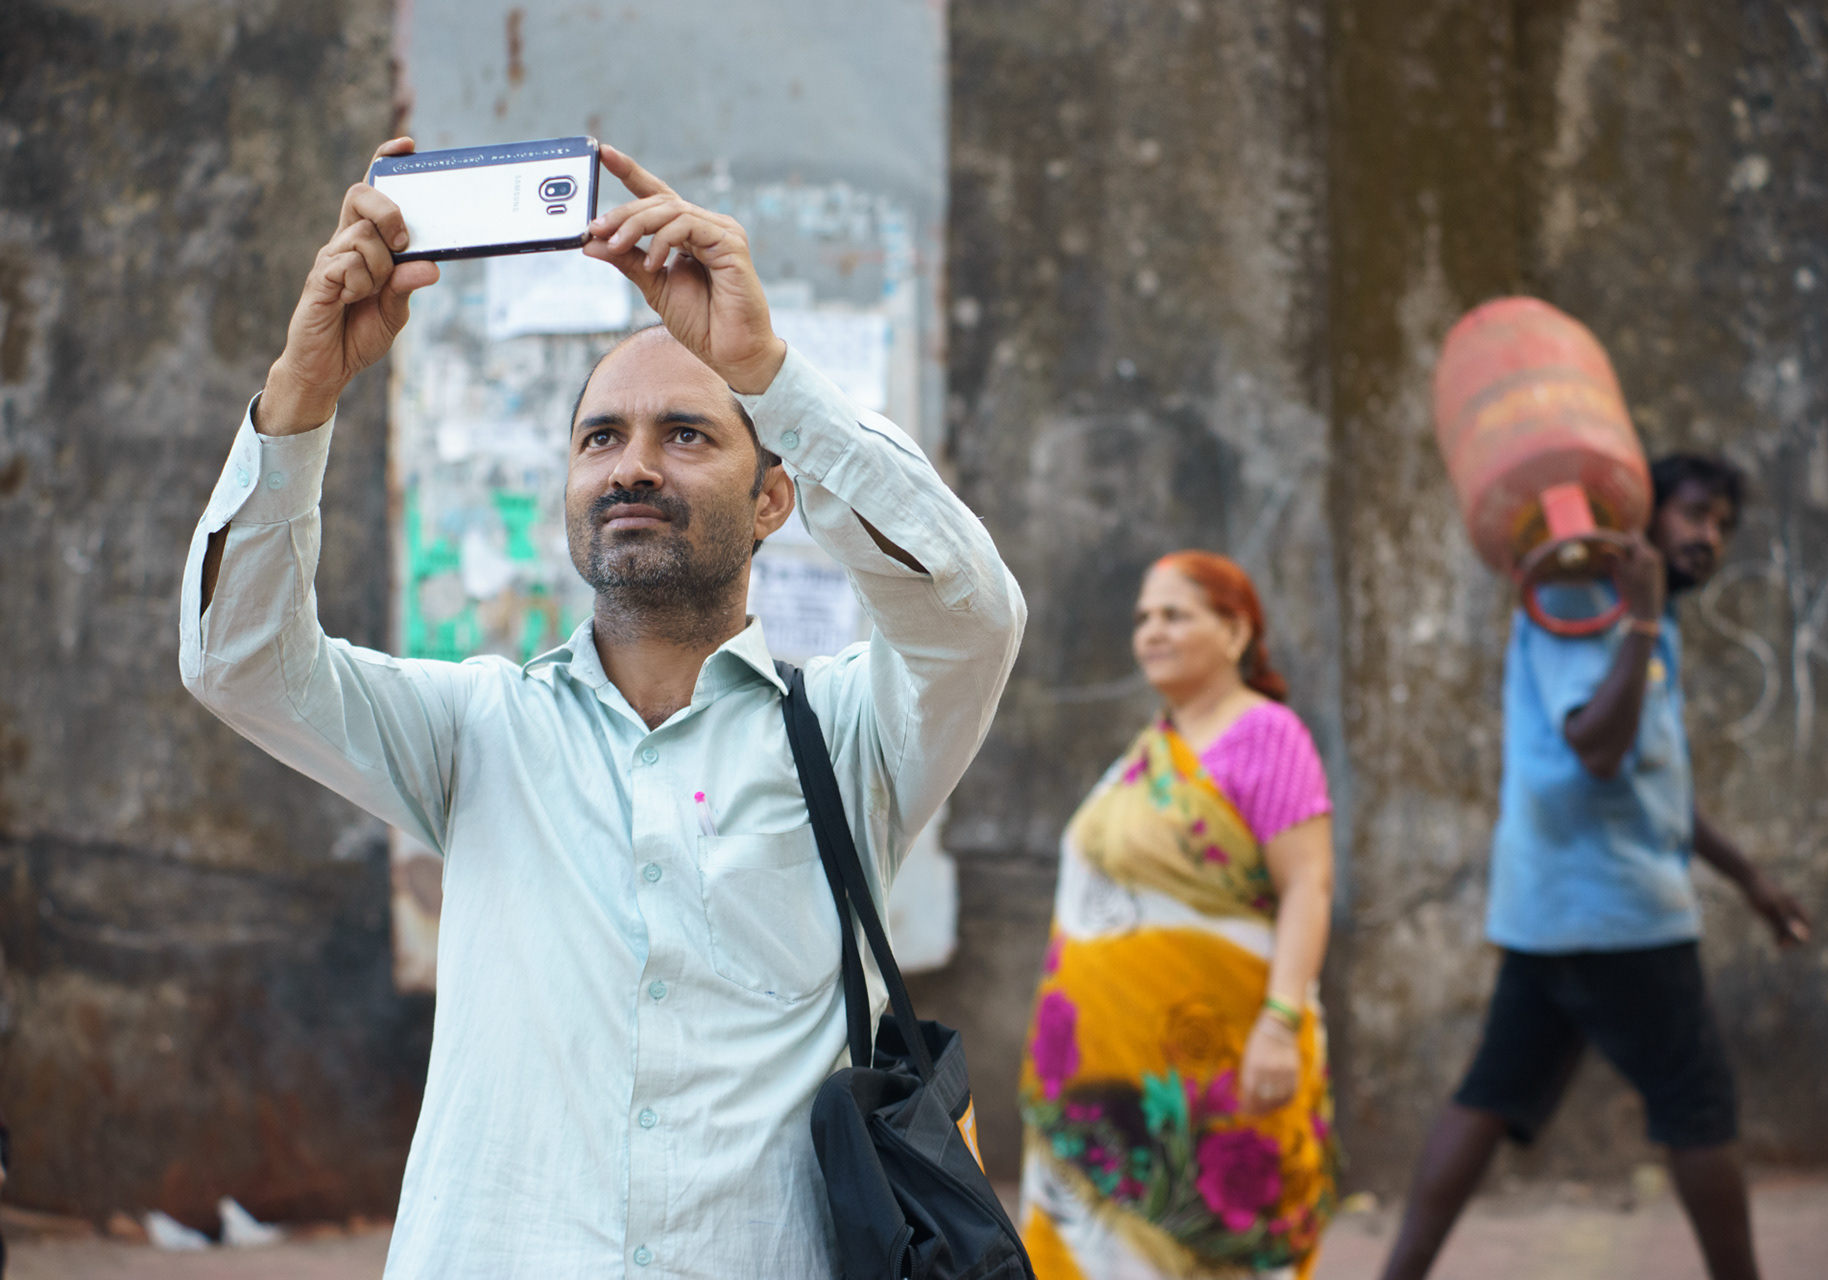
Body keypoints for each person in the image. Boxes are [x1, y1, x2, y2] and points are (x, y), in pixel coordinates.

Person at [179, 137, 1024, 1277]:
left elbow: (971, 614)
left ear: (774, 499)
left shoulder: (850, 737)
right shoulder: (478, 730)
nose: (633, 466)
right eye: (600, 438)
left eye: (688, 433)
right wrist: (302, 390)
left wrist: (768, 373)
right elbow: (236, 659)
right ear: (571, 488)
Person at [1378, 455, 1813, 1280]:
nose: (1708, 537)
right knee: (1699, 1109)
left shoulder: (1645, 618)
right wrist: (1640, 622)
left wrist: (1748, 878)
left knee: (1489, 1096)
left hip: (1553, 908)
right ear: (1642, 518)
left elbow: (1656, 786)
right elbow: (1599, 750)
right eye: (1693, 514)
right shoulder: (1582, 600)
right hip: (1617, 911)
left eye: (1722, 525)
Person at [1018, 551, 1339, 1280]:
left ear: (1236, 632)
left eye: (1174, 615)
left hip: (1223, 1066)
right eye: (1143, 619)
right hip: (1105, 1076)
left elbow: (1309, 886)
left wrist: (1280, 1023)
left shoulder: (1267, 735)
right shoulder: (1150, 752)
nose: (1151, 633)